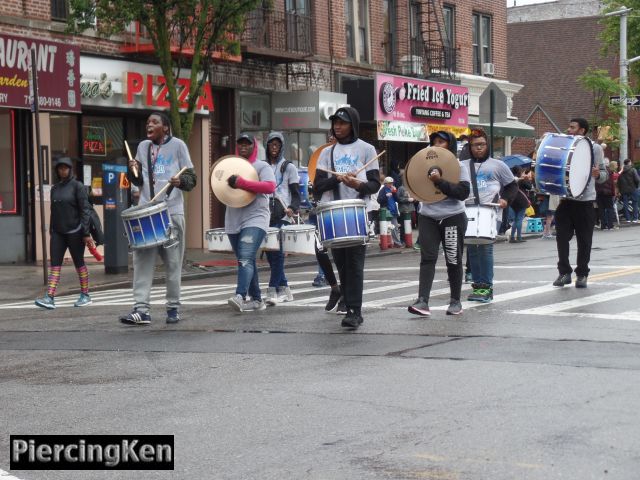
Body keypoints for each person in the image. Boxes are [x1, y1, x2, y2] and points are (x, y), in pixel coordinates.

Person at [119, 112, 197, 325]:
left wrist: (180, 181)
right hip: (147, 211)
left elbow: (192, 177)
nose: (149, 125)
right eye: (148, 123)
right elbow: (138, 181)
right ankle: (141, 310)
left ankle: (173, 307)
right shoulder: (143, 147)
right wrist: (132, 169)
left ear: (166, 127)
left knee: (173, 263)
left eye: (154, 122)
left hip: (171, 212)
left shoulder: (179, 145)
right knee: (142, 262)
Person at [313, 106, 381, 329]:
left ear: (353, 124)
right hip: (333, 212)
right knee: (341, 263)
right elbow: (318, 186)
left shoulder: (367, 149)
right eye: (335, 123)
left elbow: (374, 184)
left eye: (342, 123)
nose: (337, 127)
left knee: (355, 263)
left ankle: (354, 311)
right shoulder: (326, 153)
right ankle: (347, 301)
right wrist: (339, 180)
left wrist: (357, 184)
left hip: (358, 211)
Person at [408, 131, 470, 317]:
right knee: (427, 258)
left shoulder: (459, 167)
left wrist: (439, 181)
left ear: (449, 145)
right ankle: (422, 300)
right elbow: (414, 184)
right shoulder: (423, 166)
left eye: (441, 142)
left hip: (452, 217)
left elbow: (462, 192)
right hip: (428, 217)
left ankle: (455, 301)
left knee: (453, 259)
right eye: (434, 142)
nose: (436, 145)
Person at [463, 129, 519, 302]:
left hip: (491, 212)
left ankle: (487, 287)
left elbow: (512, 186)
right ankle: (478, 286)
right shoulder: (463, 165)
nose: (478, 148)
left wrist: (505, 200)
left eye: (481, 144)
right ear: (470, 147)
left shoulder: (498, 165)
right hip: (469, 211)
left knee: (485, 248)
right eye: (475, 145)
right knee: (472, 248)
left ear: (487, 145)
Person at [553, 118, 607, 289]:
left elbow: (604, 175)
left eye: (572, 127)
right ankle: (564, 273)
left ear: (582, 130)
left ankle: (582, 274)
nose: (568, 130)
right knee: (561, 238)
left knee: (584, 241)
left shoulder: (595, 148)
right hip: (565, 199)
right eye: (568, 126)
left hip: (585, 202)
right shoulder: (564, 146)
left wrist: (598, 174)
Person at [225, 133, 276, 312]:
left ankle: (240, 295)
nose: (243, 147)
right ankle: (256, 299)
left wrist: (242, 183)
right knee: (246, 260)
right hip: (233, 219)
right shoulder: (229, 166)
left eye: (247, 144)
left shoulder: (262, 166)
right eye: (240, 144)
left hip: (256, 218)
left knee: (245, 257)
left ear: (254, 146)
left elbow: (270, 186)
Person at [35, 157, 95, 309]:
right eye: (60, 168)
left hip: (75, 231)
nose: (63, 170)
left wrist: (85, 233)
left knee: (79, 263)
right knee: (55, 265)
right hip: (58, 232)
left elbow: (85, 210)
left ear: (70, 169)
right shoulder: (55, 188)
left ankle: (85, 295)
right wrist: (51, 230)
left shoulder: (78, 186)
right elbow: (53, 210)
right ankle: (49, 297)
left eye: (65, 168)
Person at [264, 132, 300, 305]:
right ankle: (285, 289)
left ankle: (272, 290)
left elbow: (296, 193)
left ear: (282, 146)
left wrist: (292, 208)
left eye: (277, 145)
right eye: (271, 144)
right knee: (271, 254)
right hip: (266, 214)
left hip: (283, 214)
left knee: (277, 253)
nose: (274, 147)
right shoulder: (263, 167)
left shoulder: (289, 167)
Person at [377, 176, 405, 247]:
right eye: (389, 183)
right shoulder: (383, 190)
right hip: (386, 212)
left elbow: (397, 200)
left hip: (393, 211)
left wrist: (395, 193)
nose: (391, 185)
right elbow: (379, 200)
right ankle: (384, 243)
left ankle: (396, 243)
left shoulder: (393, 189)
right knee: (385, 228)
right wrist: (386, 196)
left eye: (392, 183)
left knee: (395, 227)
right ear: (385, 183)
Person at [508, 166, 533, 243]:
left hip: (513, 201)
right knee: (519, 219)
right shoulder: (522, 180)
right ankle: (519, 237)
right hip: (522, 200)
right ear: (520, 172)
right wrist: (527, 179)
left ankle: (512, 237)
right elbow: (529, 187)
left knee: (516, 219)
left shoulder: (511, 179)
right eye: (522, 172)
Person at [595, 160, 616, 231]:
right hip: (608, 193)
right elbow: (612, 184)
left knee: (601, 209)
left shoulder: (596, 171)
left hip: (599, 193)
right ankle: (610, 225)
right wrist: (613, 193)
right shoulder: (609, 172)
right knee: (610, 209)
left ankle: (603, 226)